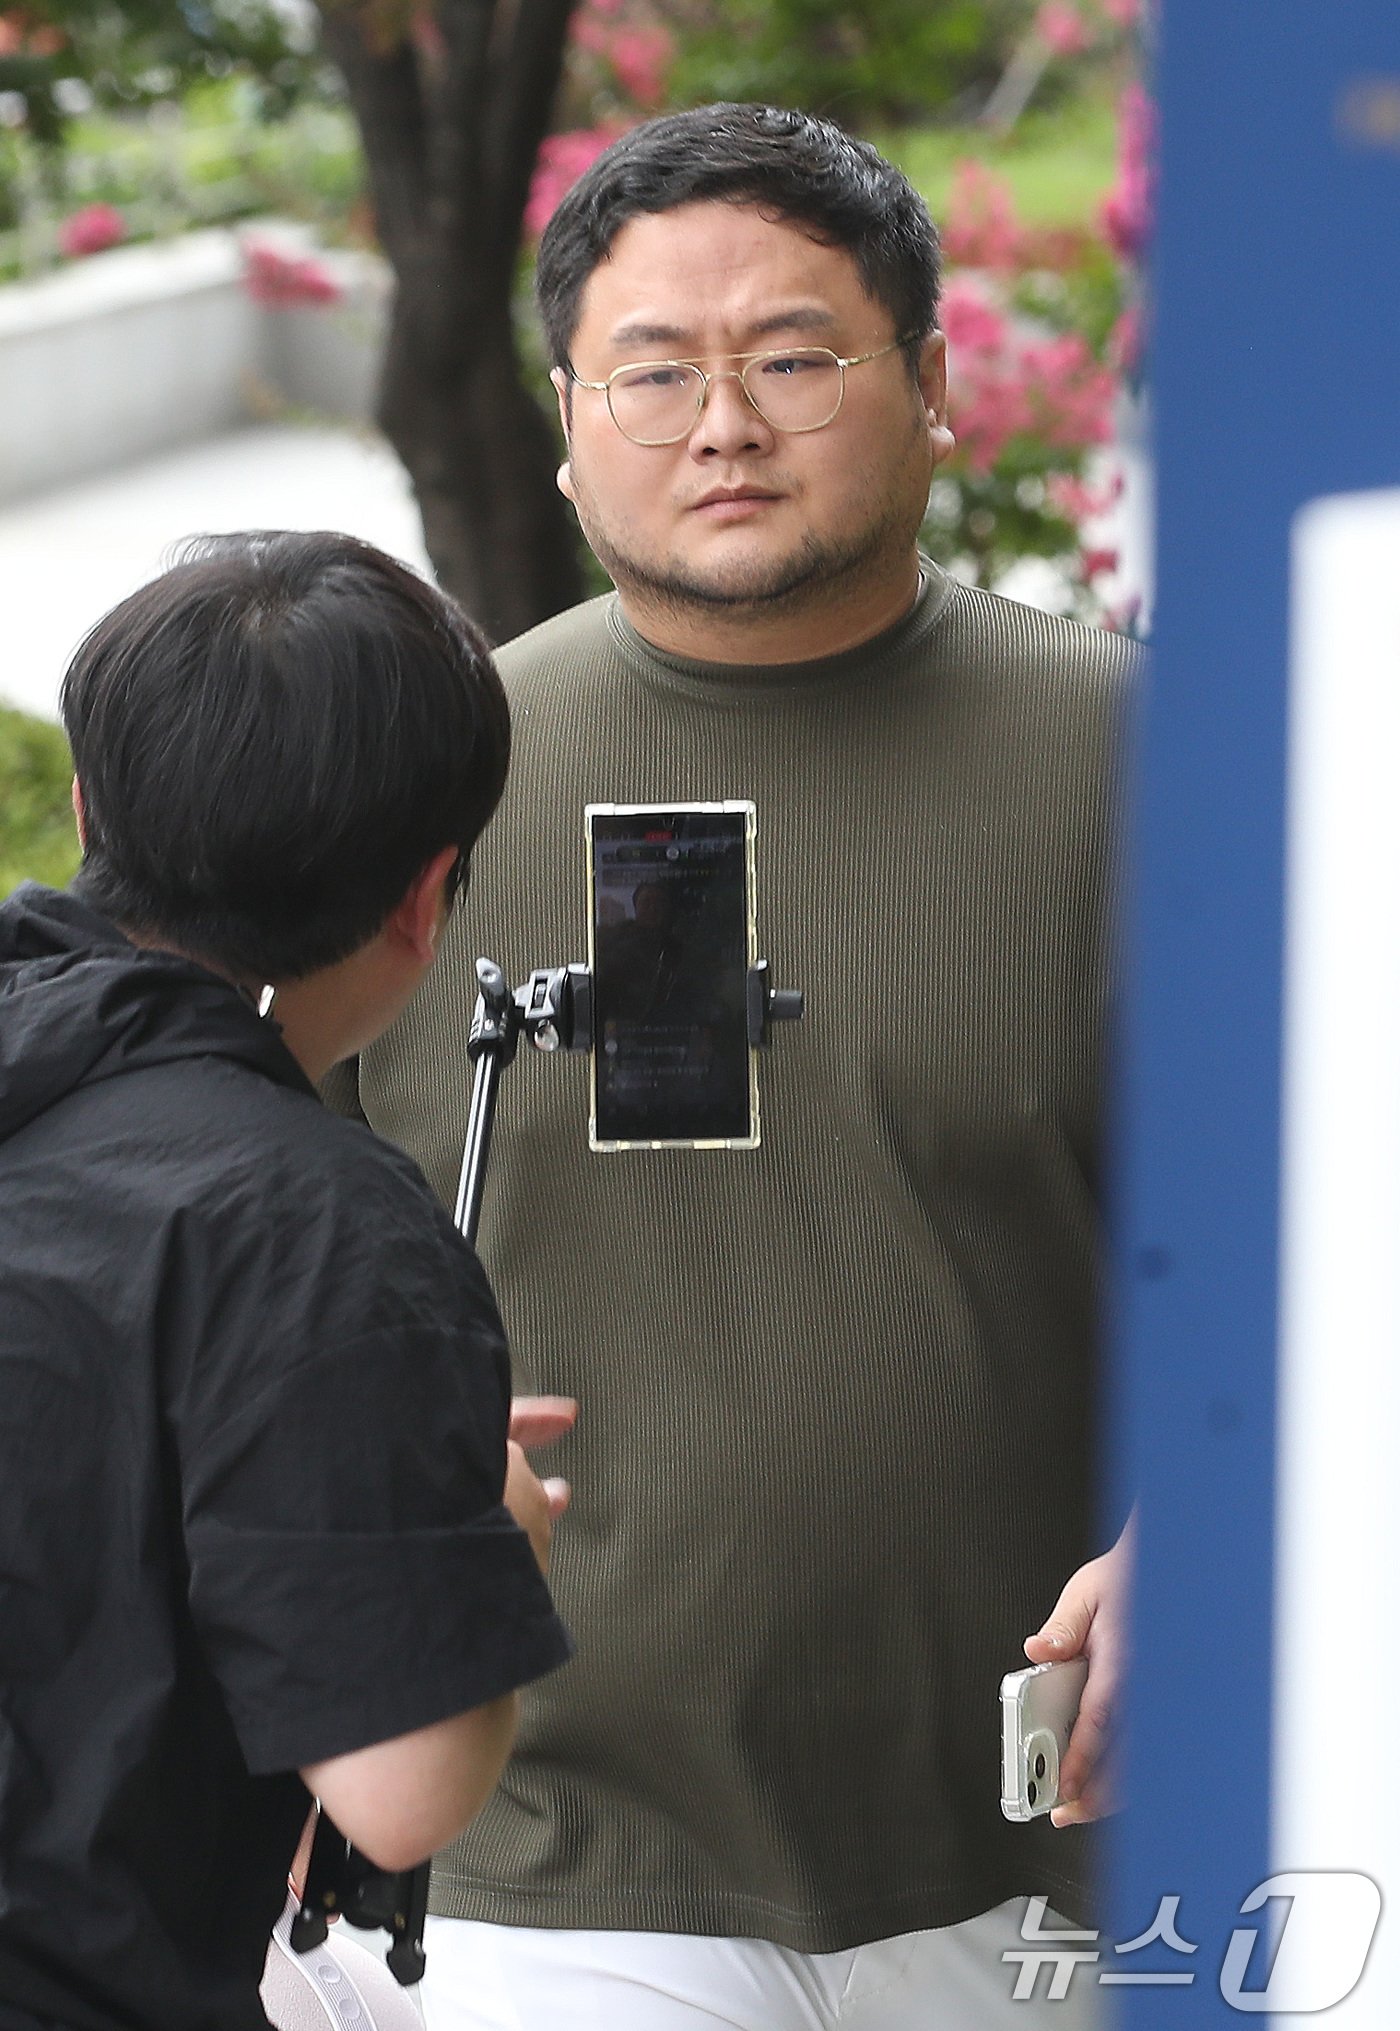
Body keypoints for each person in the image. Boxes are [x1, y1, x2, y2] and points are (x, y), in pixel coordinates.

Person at [329, 104, 1138, 2030]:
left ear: (933, 383)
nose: (724, 425)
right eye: (654, 371)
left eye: (792, 357)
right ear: (563, 412)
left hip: (1054, 1831)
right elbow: (251, 1263)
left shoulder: (1153, 758)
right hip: (554, 1849)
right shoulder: (412, 785)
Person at [0, 532, 575, 2031]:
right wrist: (484, 1532)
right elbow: (398, 1792)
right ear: (426, 896)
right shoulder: (316, 1231)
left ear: (86, 804)